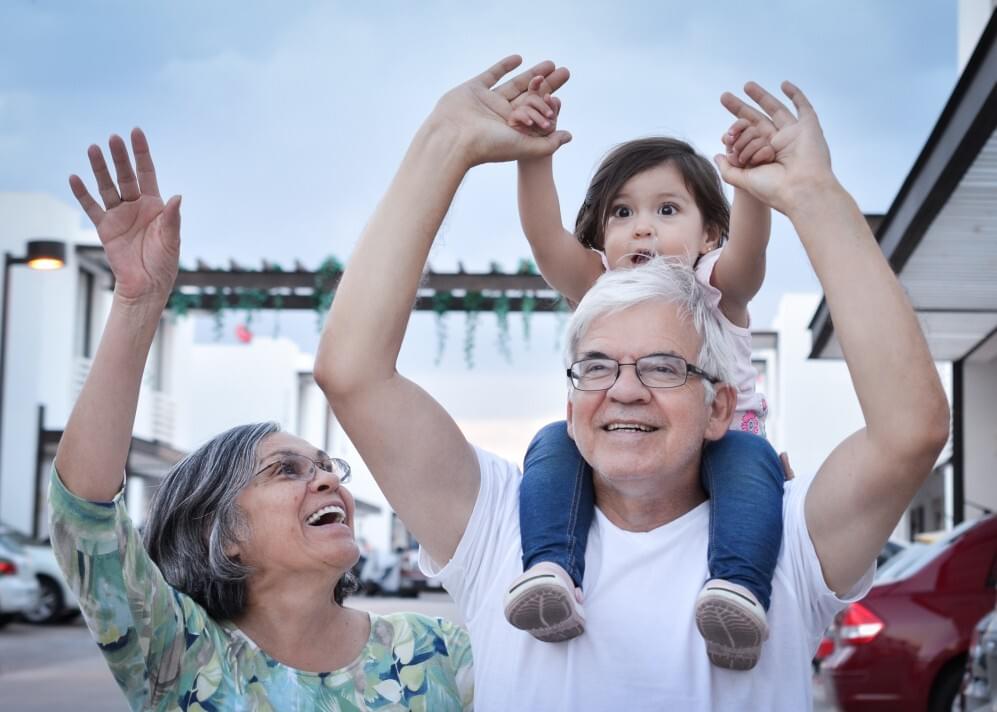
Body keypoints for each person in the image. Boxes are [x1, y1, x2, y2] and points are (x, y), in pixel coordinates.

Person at [315, 55, 949, 710]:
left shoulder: (784, 539)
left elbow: (911, 430)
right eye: (596, 366)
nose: (624, 390)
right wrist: (446, 142)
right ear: (571, 400)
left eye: (663, 366)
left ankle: (731, 581)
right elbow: (354, 373)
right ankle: (555, 569)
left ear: (718, 404)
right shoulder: (501, 528)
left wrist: (813, 194)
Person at [50, 130, 473, 711]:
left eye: (327, 467)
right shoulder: (179, 657)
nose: (328, 481)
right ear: (220, 534)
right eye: (287, 470)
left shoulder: (438, 653)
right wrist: (137, 302)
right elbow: (85, 517)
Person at [498, 77, 784, 670]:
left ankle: (738, 593)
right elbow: (544, 238)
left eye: (667, 210)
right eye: (622, 212)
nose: (642, 227)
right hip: (629, 434)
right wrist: (534, 157)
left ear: (710, 233)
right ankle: (551, 571)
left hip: (728, 438)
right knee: (551, 444)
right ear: (602, 233)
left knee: (752, 469)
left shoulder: (715, 284)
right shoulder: (602, 286)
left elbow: (751, 251)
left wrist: (749, 184)